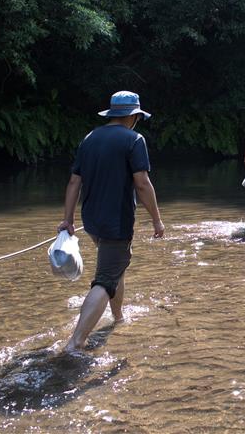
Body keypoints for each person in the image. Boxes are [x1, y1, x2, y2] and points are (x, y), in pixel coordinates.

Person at [58, 91, 165, 352]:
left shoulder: (90, 138)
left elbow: (74, 181)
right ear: (133, 116)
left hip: (92, 220)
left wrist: (68, 220)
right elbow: (142, 183)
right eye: (138, 116)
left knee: (116, 267)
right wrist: (157, 221)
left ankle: (117, 317)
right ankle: (77, 341)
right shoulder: (134, 139)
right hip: (116, 222)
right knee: (106, 280)